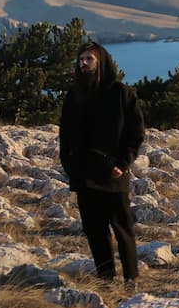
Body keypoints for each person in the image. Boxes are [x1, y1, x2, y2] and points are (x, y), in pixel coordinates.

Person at [59, 42, 145, 286]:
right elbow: (64, 135)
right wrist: (70, 165)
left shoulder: (121, 93)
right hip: (84, 174)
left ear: (101, 62)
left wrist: (124, 162)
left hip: (113, 172)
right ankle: (105, 278)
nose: (83, 63)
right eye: (81, 59)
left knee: (122, 227)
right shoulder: (74, 95)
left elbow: (135, 132)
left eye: (89, 59)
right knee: (95, 230)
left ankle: (131, 279)